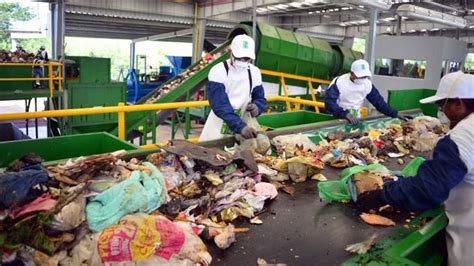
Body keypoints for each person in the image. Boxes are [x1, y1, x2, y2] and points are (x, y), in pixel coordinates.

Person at [356, 71, 474, 265]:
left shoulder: (462, 137)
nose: (440, 111)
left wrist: (383, 195)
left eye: (441, 105)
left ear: (459, 103)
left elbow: (428, 189)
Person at [199, 34, 266, 142]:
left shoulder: (254, 72)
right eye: (239, 58)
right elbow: (220, 104)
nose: (243, 61)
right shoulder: (218, 71)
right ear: (230, 52)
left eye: (247, 58)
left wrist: (257, 107)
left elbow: (260, 98)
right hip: (220, 120)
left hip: (243, 122)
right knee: (212, 152)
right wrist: (240, 126)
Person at [325, 59, 410, 124]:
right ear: (351, 73)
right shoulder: (340, 82)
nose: (362, 79)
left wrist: (395, 113)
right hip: (337, 118)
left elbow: (379, 103)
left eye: (365, 76)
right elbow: (329, 103)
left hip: (355, 118)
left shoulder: (367, 84)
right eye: (360, 76)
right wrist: (344, 114)